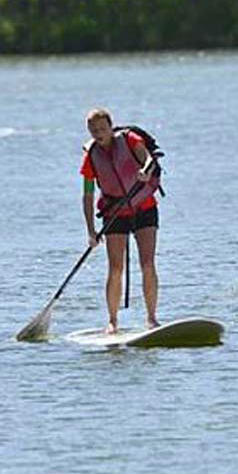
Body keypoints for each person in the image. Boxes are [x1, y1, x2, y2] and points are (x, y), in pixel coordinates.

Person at [80, 108, 160, 334]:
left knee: (147, 263)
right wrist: (91, 231)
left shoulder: (129, 139)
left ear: (111, 127)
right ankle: (113, 321)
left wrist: (145, 171)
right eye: (94, 130)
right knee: (115, 268)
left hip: (144, 207)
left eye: (103, 129)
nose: (99, 134)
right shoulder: (91, 156)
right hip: (114, 211)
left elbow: (148, 159)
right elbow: (87, 195)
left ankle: (151, 318)